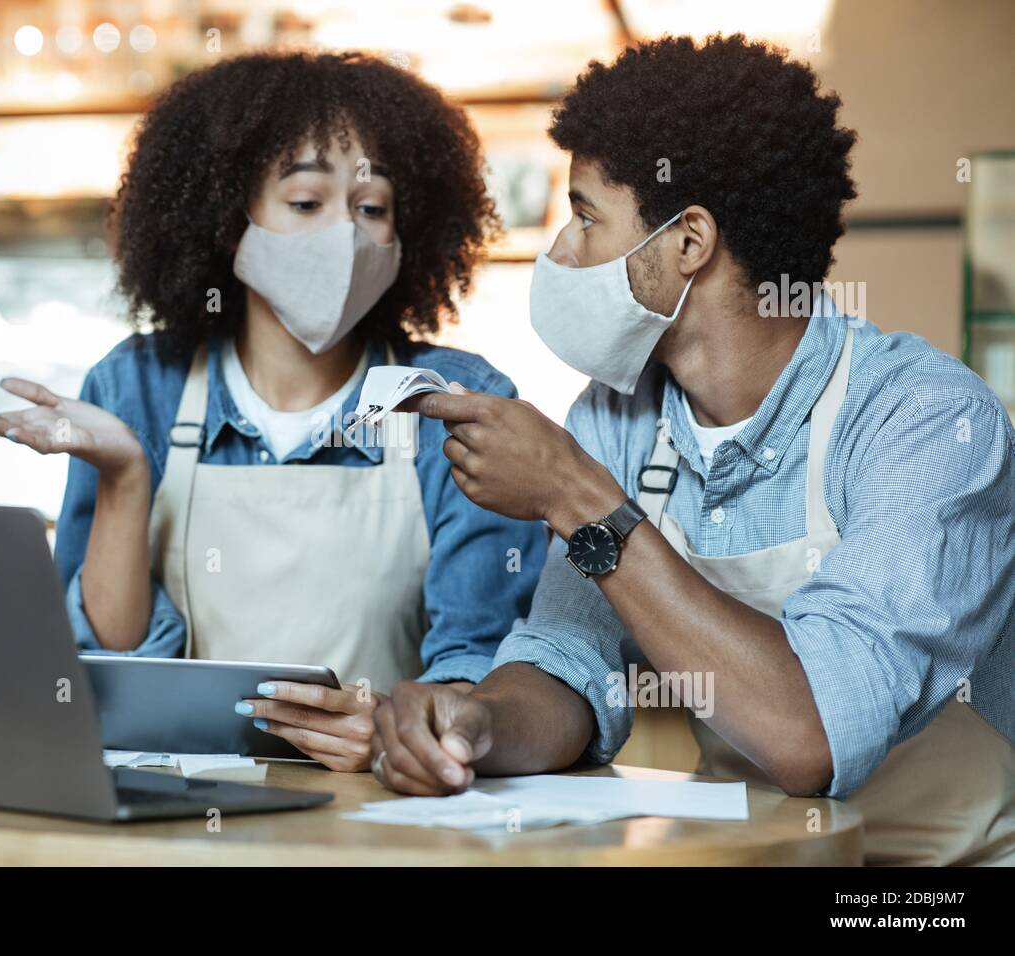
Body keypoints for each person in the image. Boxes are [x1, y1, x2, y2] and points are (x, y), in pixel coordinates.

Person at [373, 34, 1015, 864]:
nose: (561, 252)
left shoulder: (924, 421)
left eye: (585, 216)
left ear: (689, 242)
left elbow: (811, 731)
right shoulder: (619, 419)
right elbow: (570, 660)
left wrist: (575, 495)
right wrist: (477, 723)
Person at [0, 51, 545, 773]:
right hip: (174, 820)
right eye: (306, 204)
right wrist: (125, 479)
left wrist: (398, 731)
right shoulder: (138, 387)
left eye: (372, 209)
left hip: (383, 816)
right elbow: (101, 670)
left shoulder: (454, 403)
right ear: (231, 223)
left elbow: (477, 666)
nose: (345, 235)